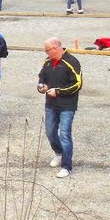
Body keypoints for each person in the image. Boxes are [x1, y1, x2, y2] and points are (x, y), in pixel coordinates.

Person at [37, 37, 82, 178]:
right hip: (51, 104)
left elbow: (77, 84)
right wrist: (41, 86)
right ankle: (59, 153)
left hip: (67, 105)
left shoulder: (72, 62)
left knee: (65, 134)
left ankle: (66, 166)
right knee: (50, 132)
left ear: (55, 48)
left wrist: (58, 91)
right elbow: (41, 77)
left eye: (47, 50)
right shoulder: (47, 62)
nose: (46, 53)